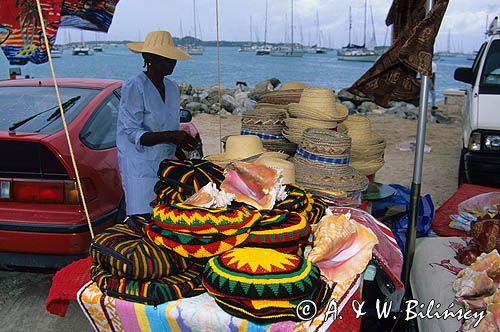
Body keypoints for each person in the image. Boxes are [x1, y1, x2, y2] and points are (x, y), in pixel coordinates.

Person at [116, 30, 198, 217]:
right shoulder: (135, 86)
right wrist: (172, 136)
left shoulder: (172, 87)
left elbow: (169, 128)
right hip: (140, 166)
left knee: (165, 215)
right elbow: (133, 133)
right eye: (166, 58)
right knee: (143, 216)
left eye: (173, 58)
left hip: (166, 165)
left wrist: (183, 150)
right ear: (149, 57)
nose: (172, 63)